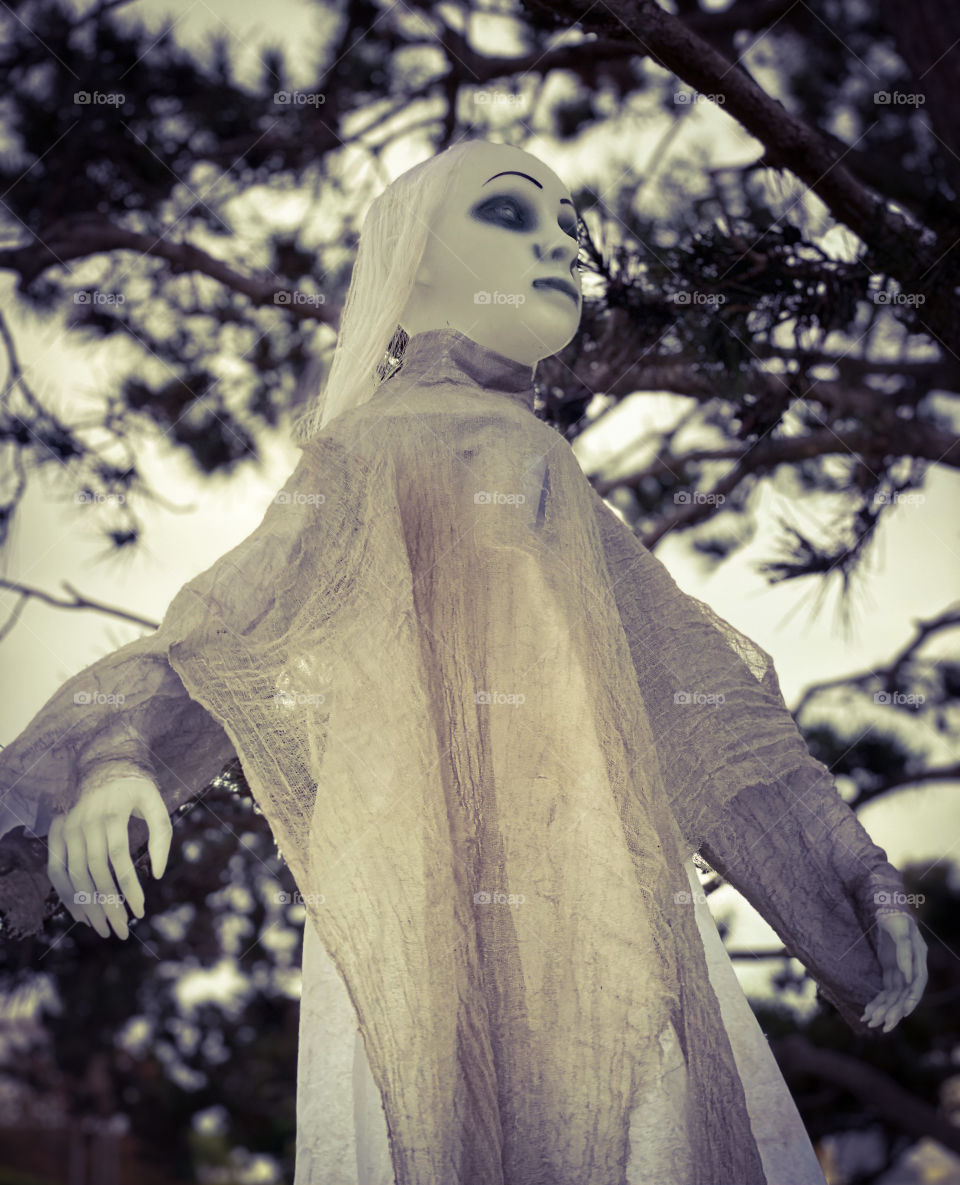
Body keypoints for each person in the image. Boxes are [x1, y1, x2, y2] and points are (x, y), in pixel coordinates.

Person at [0, 139, 927, 1185]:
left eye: (567, 222)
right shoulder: (373, 449)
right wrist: (114, 755)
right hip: (419, 895)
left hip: (599, 894)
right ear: (412, 271)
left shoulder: (550, 469)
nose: (559, 244)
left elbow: (701, 705)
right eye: (507, 213)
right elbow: (231, 625)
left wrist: (854, 872)